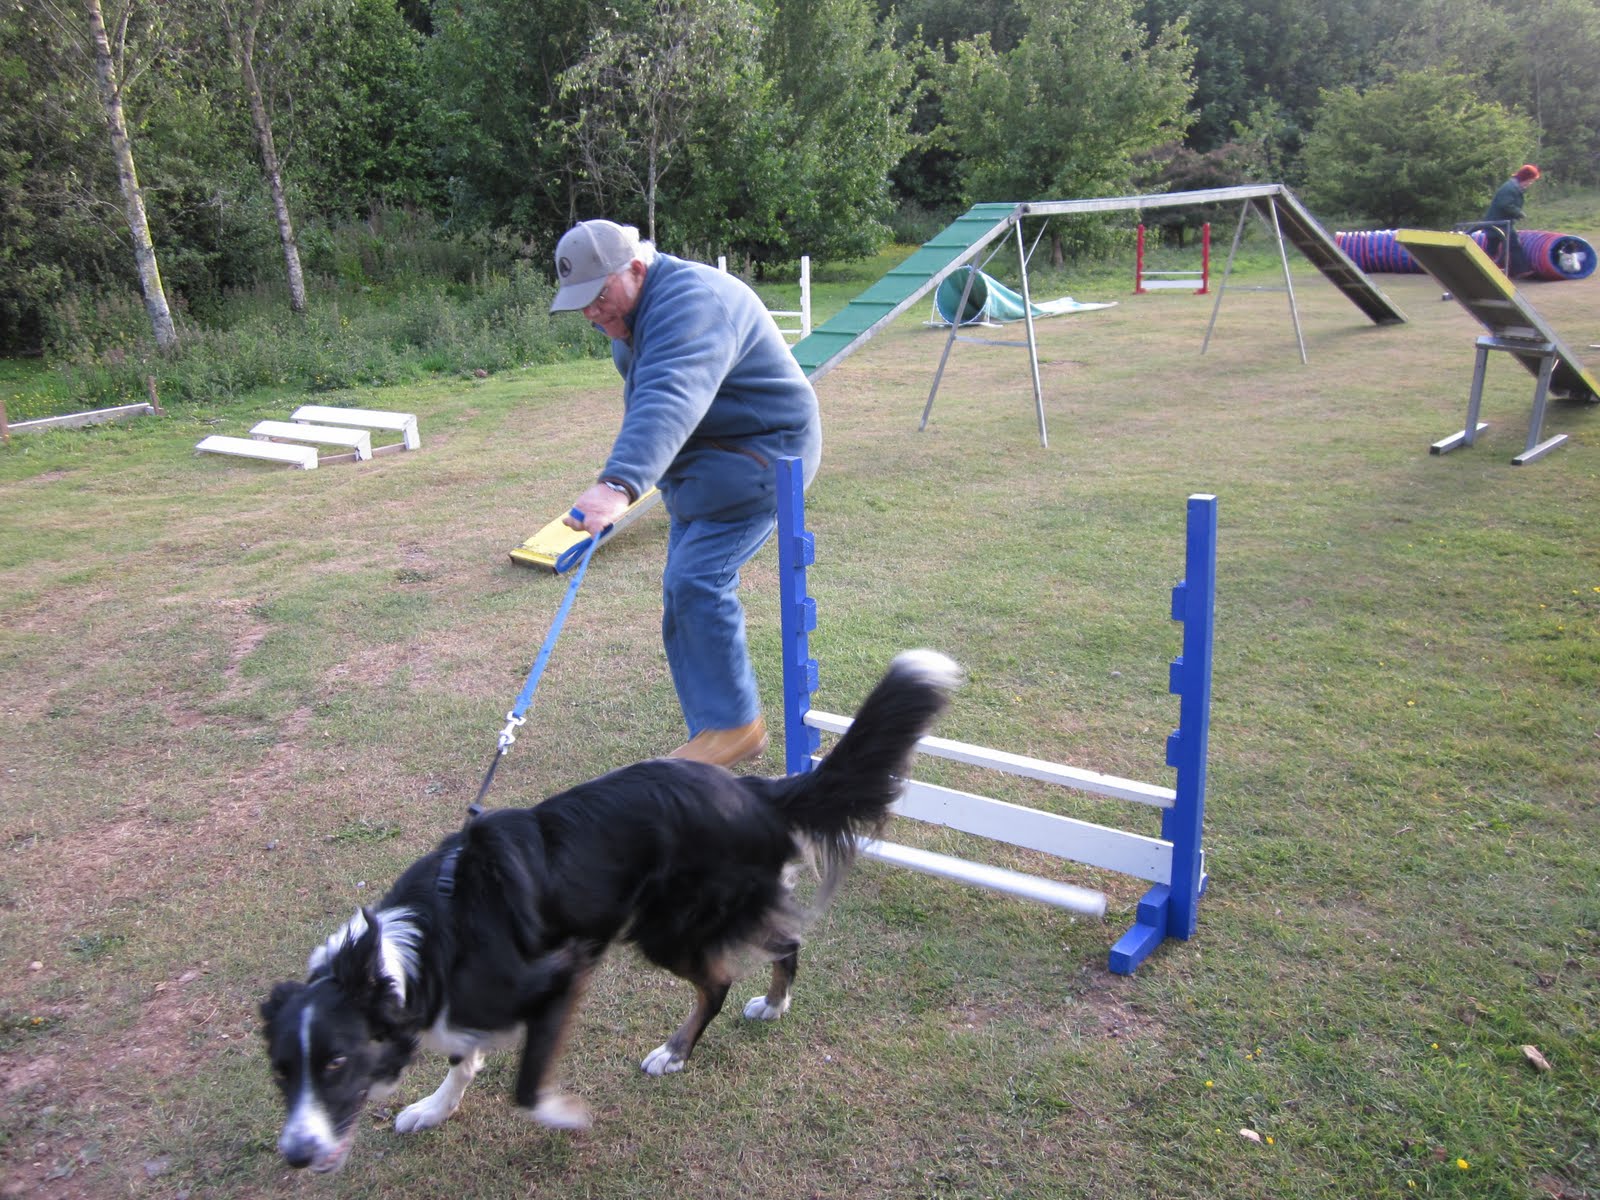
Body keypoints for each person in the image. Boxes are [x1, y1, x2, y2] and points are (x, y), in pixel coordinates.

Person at [549, 219, 822, 768]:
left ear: (636, 268)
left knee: (697, 581)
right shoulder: (633, 318)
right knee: (681, 590)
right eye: (580, 303)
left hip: (763, 457)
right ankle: (715, 728)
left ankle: (734, 728)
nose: (591, 312)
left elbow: (670, 395)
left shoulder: (691, 301)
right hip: (707, 466)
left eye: (598, 296)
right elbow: (652, 398)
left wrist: (619, 483)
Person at [1481, 164, 1540, 276]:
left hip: (1495, 222)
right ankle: (1522, 270)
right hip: (1500, 223)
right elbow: (1505, 205)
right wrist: (1519, 213)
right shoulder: (1510, 188)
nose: (1530, 183)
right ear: (1525, 178)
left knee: (1492, 249)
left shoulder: (1512, 186)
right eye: (1530, 180)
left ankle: (1483, 269)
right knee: (1514, 245)